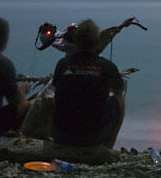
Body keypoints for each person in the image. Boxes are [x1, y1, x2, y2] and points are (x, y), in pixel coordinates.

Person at [52, 19, 126, 148]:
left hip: (60, 135)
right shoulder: (106, 66)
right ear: (97, 41)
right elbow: (119, 90)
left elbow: (56, 91)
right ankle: (108, 147)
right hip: (92, 137)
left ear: (76, 41)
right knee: (119, 98)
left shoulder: (62, 64)